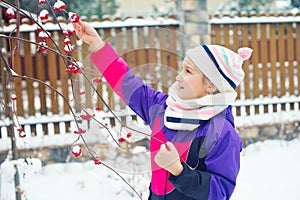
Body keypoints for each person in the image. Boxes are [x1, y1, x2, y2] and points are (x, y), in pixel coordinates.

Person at [73, 20, 253, 200]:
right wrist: (98, 46)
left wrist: (179, 171)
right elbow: (129, 86)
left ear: (212, 85)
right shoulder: (164, 109)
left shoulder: (221, 133)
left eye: (188, 71)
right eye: (182, 69)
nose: (179, 76)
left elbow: (220, 191)